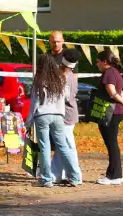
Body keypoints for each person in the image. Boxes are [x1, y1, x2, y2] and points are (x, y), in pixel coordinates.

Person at [27, 53, 82, 188]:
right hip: (58, 115)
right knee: (63, 146)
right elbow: (66, 97)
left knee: (44, 147)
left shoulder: (39, 79)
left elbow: (35, 102)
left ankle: (47, 179)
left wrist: (29, 120)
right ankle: (74, 177)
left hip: (42, 116)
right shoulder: (60, 79)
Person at [95, 49, 123, 185]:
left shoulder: (108, 73)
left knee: (112, 144)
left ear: (105, 62)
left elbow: (112, 92)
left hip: (111, 112)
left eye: (98, 62)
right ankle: (113, 174)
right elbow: (120, 91)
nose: (97, 65)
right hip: (117, 112)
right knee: (112, 144)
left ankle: (115, 176)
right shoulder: (116, 72)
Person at [51, 49, 82, 184]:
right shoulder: (71, 76)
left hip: (66, 116)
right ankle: (55, 174)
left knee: (68, 146)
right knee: (61, 146)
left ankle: (76, 175)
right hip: (66, 114)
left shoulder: (65, 77)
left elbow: (64, 97)